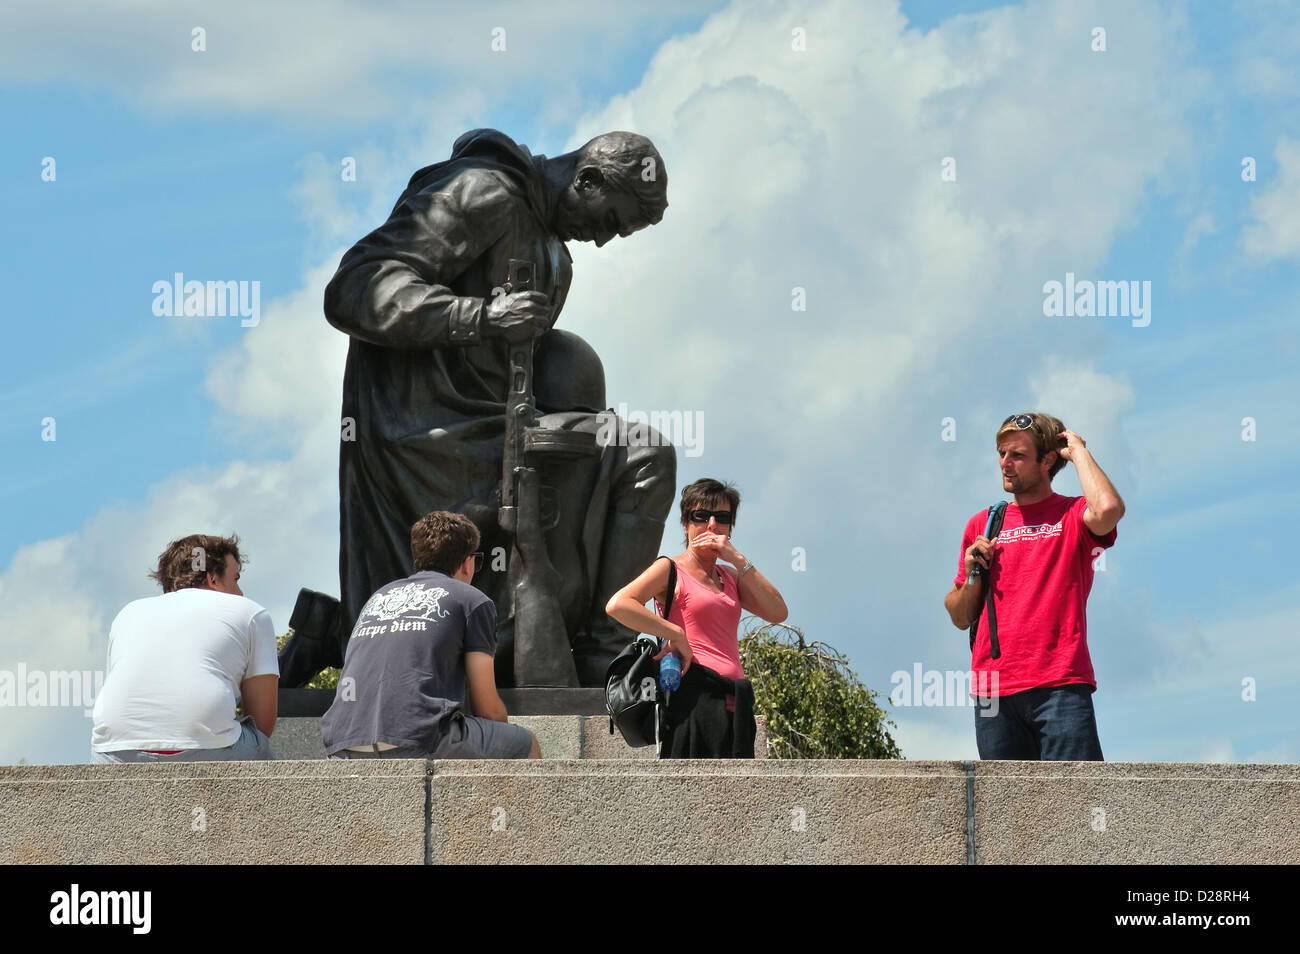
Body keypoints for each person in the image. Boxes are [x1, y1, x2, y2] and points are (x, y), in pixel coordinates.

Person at [281, 127, 675, 690]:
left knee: (637, 456)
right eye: (611, 220)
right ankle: (590, 653)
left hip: (497, 424)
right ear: (586, 180)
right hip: (425, 436)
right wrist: (479, 316)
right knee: (644, 452)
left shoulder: (554, 253)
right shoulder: (482, 191)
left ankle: (600, 654)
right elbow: (355, 288)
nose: (605, 240)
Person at [943, 413, 1125, 761]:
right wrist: (971, 575)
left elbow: (1108, 508)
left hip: (1060, 685)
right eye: (1001, 453)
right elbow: (960, 617)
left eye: (1017, 455)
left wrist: (1078, 451)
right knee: (1004, 813)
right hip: (994, 691)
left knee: (1076, 802)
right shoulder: (984, 524)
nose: (1005, 464)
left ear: (1048, 460)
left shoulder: (1072, 515)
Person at [322, 511, 540, 760]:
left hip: (343, 742)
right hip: (419, 736)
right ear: (468, 563)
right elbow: (488, 709)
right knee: (526, 744)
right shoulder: (472, 600)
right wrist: (501, 728)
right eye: (477, 562)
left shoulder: (378, 598)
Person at [605, 478, 788, 758]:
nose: (712, 525)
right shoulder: (669, 568)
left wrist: (737, 558)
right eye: (701, 516)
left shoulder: (731, 577)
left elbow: (778, 612)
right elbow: (619, 605)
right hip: (693, 698)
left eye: (722, 518)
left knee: (740, 798)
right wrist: (675, 633)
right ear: (685, 522)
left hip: (736, 701)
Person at [91, 534, 278, 762]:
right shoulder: (250, 612)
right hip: (208, 751)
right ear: (212, 579)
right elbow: (263, 723)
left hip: (113, 753)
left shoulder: (127, 613)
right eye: (235, 579)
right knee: (261, 748)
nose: (240, 592)